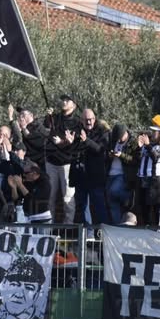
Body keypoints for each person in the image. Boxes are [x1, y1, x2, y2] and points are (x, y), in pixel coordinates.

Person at [68, 108, 109, 227]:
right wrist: (70, 143)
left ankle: (104, 233)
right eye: (86, 120)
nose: (89, 122)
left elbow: (100, 149)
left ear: (94, 119)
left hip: (96, 176)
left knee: (99, 206)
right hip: (80, 177)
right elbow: (73, 153)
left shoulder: (102, 131)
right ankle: (86, 234)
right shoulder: (77, 131)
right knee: (81, 207)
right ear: (81, 120)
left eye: (90, 119)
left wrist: (86, 140)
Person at [45, 95, 82, 223]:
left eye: (67, 100)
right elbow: (47, 128)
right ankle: (48, 229)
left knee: (68, 199)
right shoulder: (55, 117)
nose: (64, 102)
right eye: (63, 100)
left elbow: (76, 141)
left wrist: (62, 142)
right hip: (51, 162)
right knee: (49, 197)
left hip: (67, 164)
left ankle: (68, 228)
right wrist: (48, 116)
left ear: (74, 105)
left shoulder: (77, 122)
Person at [137, 125, 160, 226]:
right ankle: (147, 231)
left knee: (157, 210)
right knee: (144, 210)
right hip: (143, 179)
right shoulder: (148, 146)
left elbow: (157, 158)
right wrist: (139, 147)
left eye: (154, 132)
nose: (151, 134)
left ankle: (158, 232)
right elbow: (137, 159)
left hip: (157, 181)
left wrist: (148, 145)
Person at [105, 123, 140, 225]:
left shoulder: (133, 142)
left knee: (113, 191)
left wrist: (122, 155)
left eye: (120, 137)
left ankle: (128, 197)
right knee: (111, 201)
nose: (119, 140)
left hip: (122, 174)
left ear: (125, 133)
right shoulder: (114, 140)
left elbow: (135, 160)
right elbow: (106, 154)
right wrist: (110, 155)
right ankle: (117, 226)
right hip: (111, 173)